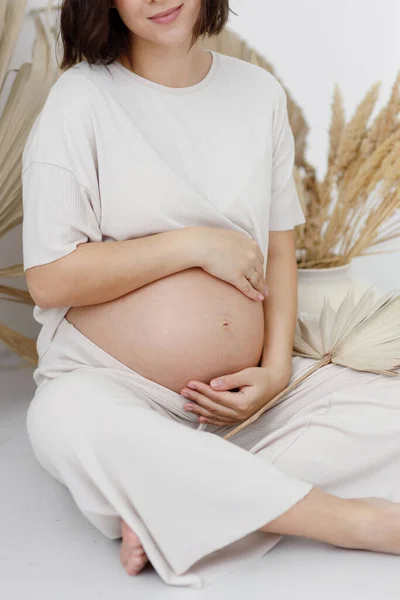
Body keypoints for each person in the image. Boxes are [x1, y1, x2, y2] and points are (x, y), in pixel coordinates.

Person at [21, 0, 400, 590]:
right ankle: (352, 522)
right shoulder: (81, 99)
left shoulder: (258, 94)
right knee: (63, 422)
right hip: (108, 385)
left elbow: (280, 250)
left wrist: (275, 373)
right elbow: (50, 277)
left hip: (252, 405)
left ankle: (176, 498)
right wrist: (193, 245)